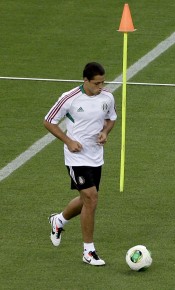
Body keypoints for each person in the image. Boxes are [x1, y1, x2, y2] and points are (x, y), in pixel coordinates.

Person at [44, 62, 117, 265]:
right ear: (85, 80)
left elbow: (111, 118)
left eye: (103, 82)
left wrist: (105, 132)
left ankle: (59, 220)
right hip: (75, 157)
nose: (100, 87)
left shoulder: (108, 97)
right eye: (96, 83)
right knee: (92, 199)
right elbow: (48, 121)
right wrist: (68, 141)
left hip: (95, 156)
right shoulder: (69, 98)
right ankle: (88, 251)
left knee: (86, 200)